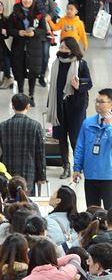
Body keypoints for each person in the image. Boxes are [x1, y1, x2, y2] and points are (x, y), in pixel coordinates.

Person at [46, 38, 93, 180]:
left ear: (72, 50)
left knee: (75, 138)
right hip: (59, 106)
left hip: (76, 107)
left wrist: (79, 87)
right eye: (61, 47)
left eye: (65, 48)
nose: (62, 50)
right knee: (60, 137)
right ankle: (65, 166)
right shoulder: (56, 64)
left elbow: (89, 83)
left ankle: (77, 166)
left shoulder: (81, 64)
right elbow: (53, 87)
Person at [0, 93, 46, 191]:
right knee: (26, 201)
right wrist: (41, 176)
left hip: (8, 174)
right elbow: (40, 154)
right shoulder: (35, 126)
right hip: (29, 174)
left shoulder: (3, 125)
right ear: (28, 106)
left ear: (12, 106)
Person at [73, 88, 112, 208]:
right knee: (92, 211)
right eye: (96, 101)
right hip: (90, 175)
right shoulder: (87, 123)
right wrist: (77, 168)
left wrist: (109, 126)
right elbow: (80, 147)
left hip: (108, 176)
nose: (97, 104)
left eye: (101, 101)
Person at [7, 0, 46, 105]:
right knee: (19, 71)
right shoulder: (14, 14)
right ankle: (20, 93)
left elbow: (43, 30)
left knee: (33, 72)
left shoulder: (38, 14)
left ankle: (31, 95)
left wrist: (34, 33)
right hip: (19, 46)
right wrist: (18, 32)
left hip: (34, 47)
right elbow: (9, 29)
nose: (27, 1)